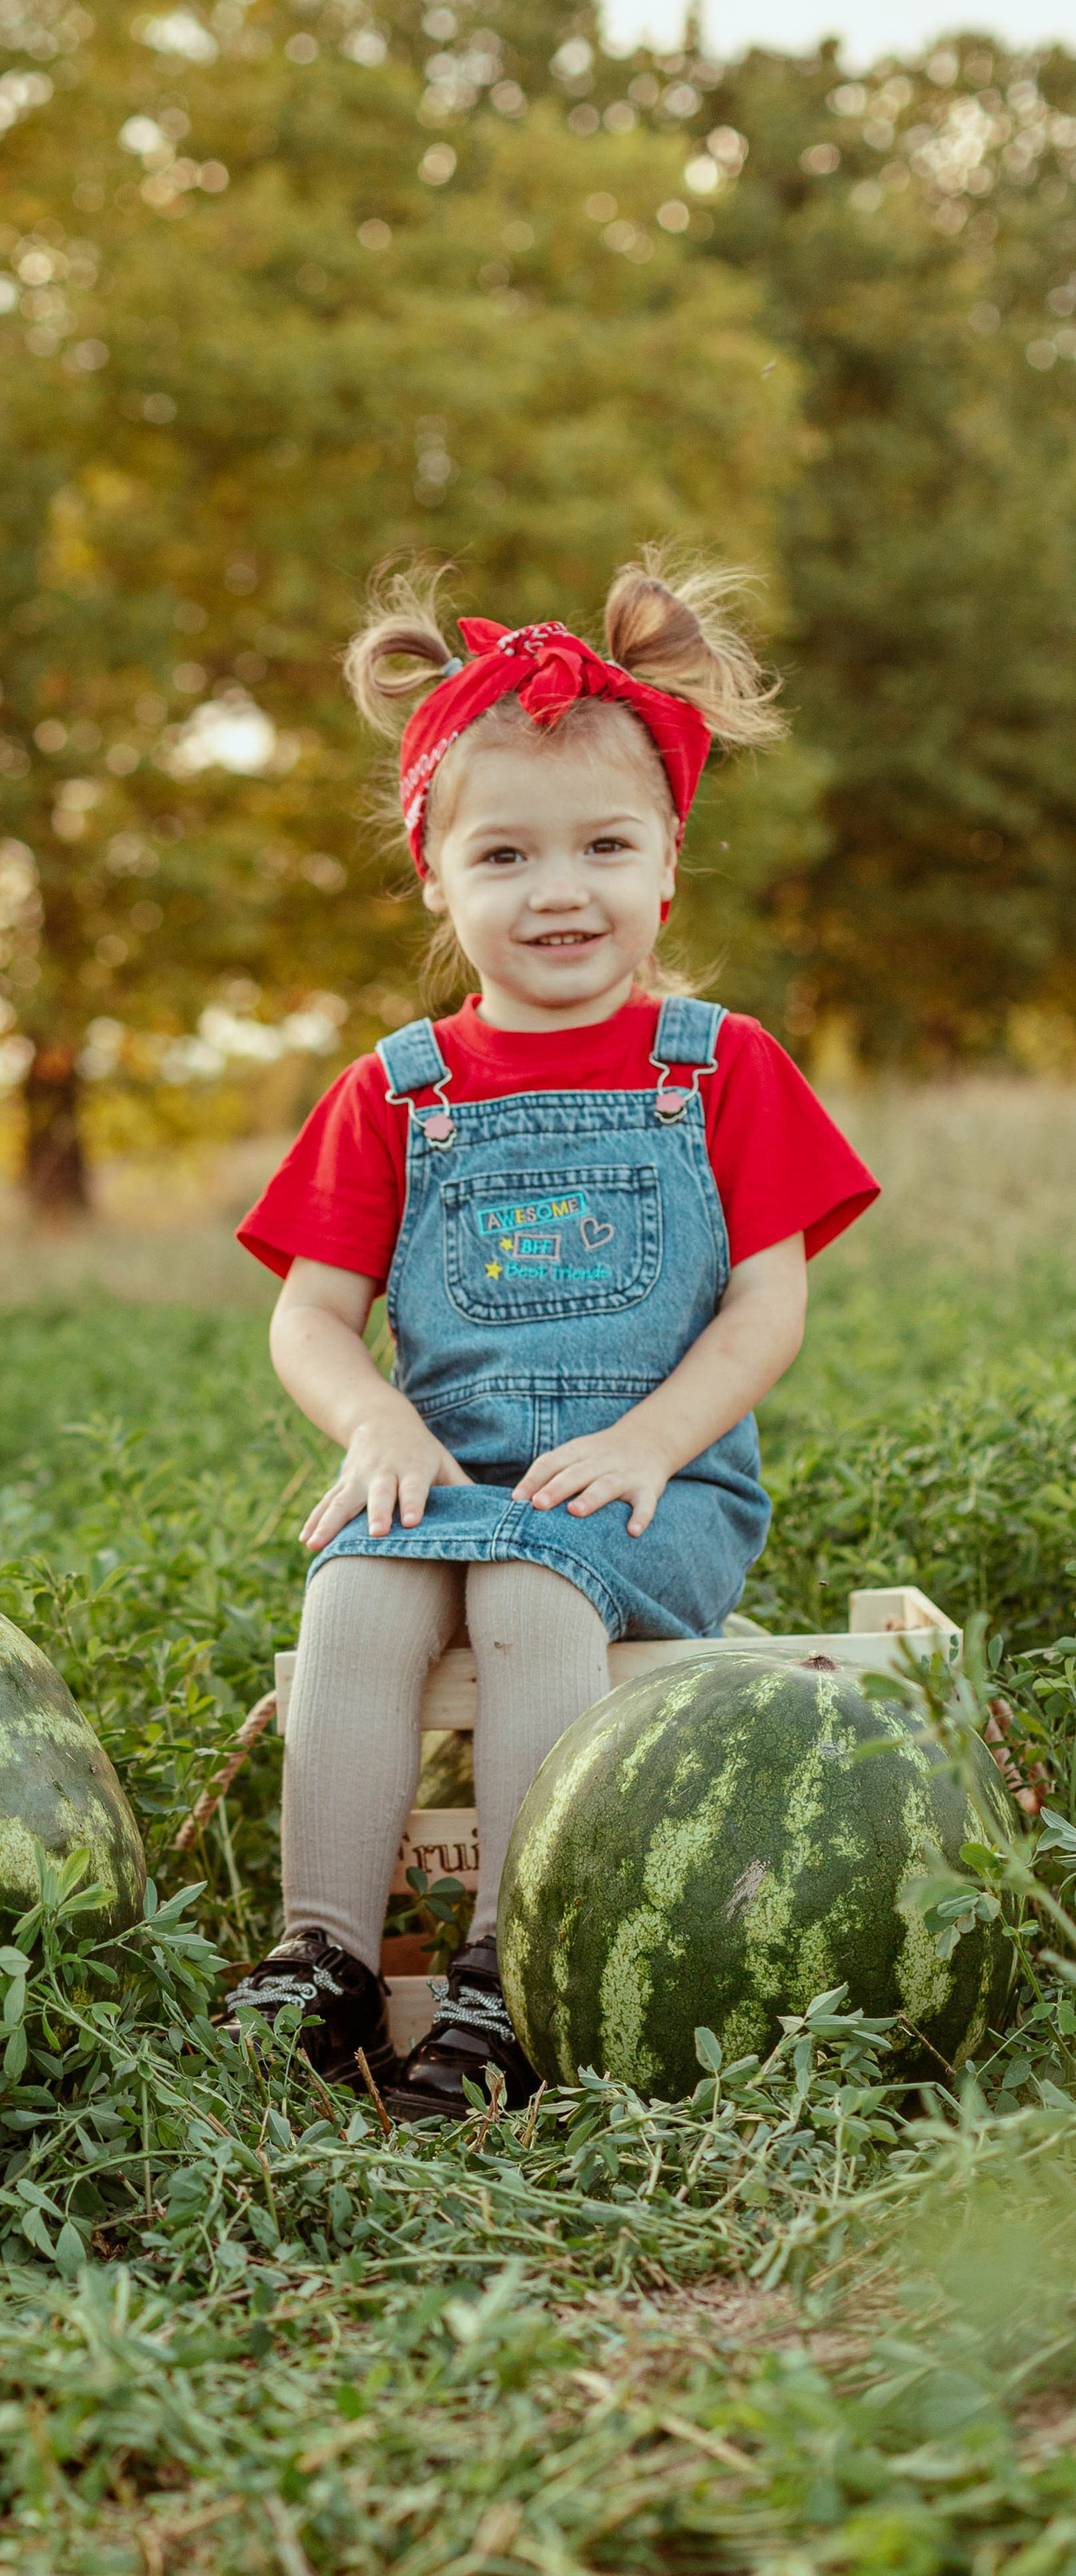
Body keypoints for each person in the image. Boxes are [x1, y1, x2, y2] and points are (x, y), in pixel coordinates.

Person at [229, 557, 879, 2122]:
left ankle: (509, 1967)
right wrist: (377, 1426)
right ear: (436, 880)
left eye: (604, 844)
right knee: (364, 1577)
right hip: (453, 1473)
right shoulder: (399, 1088)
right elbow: (309, 1313)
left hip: (654, 1491)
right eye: (504, 853)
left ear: (669, 866)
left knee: (534, 1572)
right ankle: (318, 1956)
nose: (559, 889)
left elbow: (764, 1302)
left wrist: (652, 1441)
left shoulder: (719, 1068)